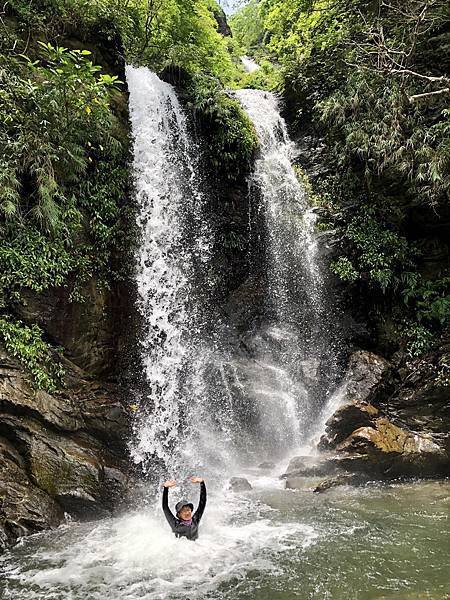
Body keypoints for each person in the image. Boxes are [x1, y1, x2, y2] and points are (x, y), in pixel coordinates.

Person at [162, 476, 206, 541]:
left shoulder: (195, 520)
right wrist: (166, 488)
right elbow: (165, 507)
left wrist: (202, 483)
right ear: (179, 515)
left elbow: (203, 502)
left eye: (188, 510)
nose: (187, 512)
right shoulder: (175, 524)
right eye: (184, 511)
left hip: (195, 548)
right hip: (181, 549)